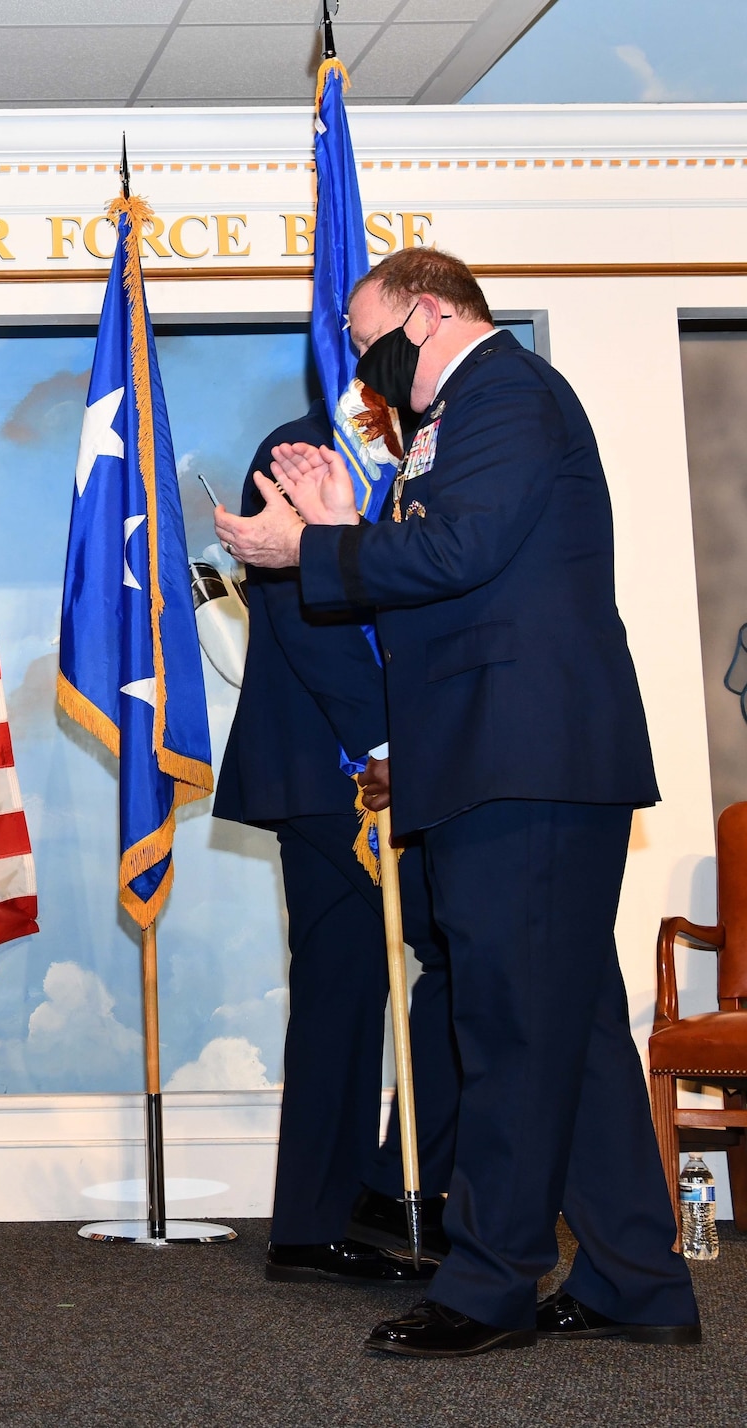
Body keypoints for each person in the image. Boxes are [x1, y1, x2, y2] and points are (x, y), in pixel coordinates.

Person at [214, 248, 700, 1357]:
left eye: (363, 330)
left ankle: (490, 1283)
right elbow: (451, 559)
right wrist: (347, 516)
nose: (357, 355)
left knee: (509, 1031)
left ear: (426, 314)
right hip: (501, 758)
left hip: (520, 758)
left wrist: (309, 545)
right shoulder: (460, 417)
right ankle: (635, 1279)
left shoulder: (504, 393)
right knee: (565, 1029)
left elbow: (457, 548)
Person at [214, 403, 460, 1288]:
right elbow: (301, 616)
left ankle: (359, 1197)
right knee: (381, 975)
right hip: (338, 769)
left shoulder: (432, 448)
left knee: (375, 977)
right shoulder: (296, 451)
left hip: (408, 762)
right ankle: (364, 1200)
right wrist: (387, 746)